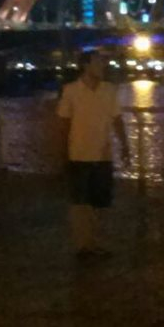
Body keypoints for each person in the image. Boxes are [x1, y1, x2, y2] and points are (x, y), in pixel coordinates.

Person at [56, 51, 130, 259]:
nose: (102, 66)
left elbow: (117, 119)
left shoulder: (109, 90)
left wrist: (125, 145)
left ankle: (95, 242)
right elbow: (63, 123)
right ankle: (84, 244)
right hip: (78, 154)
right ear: (86, 66)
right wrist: (62, 152)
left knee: (100, 203)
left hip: (103, 154)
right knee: (80, 202)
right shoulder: (71, 91)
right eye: (98, 62)